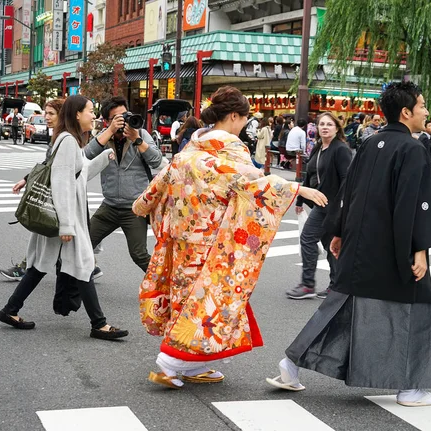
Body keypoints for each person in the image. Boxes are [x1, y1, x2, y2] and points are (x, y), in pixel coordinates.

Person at [268, 81, 431, 408]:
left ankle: (290, 365)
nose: (426, 111)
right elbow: (415, 202)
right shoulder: (412, 149)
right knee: (417, 310)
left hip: (360, 243)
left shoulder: (370, 142)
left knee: (341, 305)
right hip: (394, 248)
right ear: (406, 112)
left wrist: (338, 232)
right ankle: (410, 388)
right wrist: (419, 248)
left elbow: (349, 192)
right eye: (422, 106)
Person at [132, 86, 327, 389]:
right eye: (243, 120)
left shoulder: (189, 153)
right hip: (213, 245)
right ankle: (168, 365)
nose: (243, 126)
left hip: (182, 242)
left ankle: (200, 365)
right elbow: (258, 184)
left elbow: (156, 187)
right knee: (203, 306)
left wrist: (141, 205)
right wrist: (300, 189)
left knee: (190, 301)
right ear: (234, 116)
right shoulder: (228, 154)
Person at [0, 95, 128, 340]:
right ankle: (99, 324)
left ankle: (10, 309)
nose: (93, 115)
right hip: (65, 218)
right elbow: (61, 184)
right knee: (84, 265)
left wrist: (104, 158)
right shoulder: (68, 141)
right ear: (77, 114)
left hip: (59, 217)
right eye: (90, 110)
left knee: (40, 265)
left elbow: (78, 175)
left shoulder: (69, 140)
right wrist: (67, 225)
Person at [84, 96, 163, 275]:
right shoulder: (104, 137)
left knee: (139, 254)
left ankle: (165, 285)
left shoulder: (140, 134)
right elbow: (86, 155)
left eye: (125, 115)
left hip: (134, 209)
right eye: (117, 118)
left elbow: (156, 160)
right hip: (109, 207)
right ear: (107, 120)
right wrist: (109, 131)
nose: (124, 120)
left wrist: (137, 140)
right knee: (83, 244)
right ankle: (86, 272)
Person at [286, 112, 352, 300]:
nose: (325, 127)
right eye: (321, 124)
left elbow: (347, 179)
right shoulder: (318, 148)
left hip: (331, 204)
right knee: (329, 243)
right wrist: (300, 200)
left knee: (307, 238)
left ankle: (308, 284)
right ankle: (337, 285)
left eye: (329, 124)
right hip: (319, 202)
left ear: (337, 128)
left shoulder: (341, 149)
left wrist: (340, 204)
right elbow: (309, 175)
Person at [0, 99, 65, 281]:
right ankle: (88, 268)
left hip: (62, 197)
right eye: (46, 113)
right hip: (55, 194)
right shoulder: (57, 136)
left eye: (51, 113)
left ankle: (27, 269)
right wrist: (26, 179)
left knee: (45, 232)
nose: (46, 117)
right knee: (44, 232)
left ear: (62, 115)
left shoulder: (67, 138)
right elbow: (47, 165)